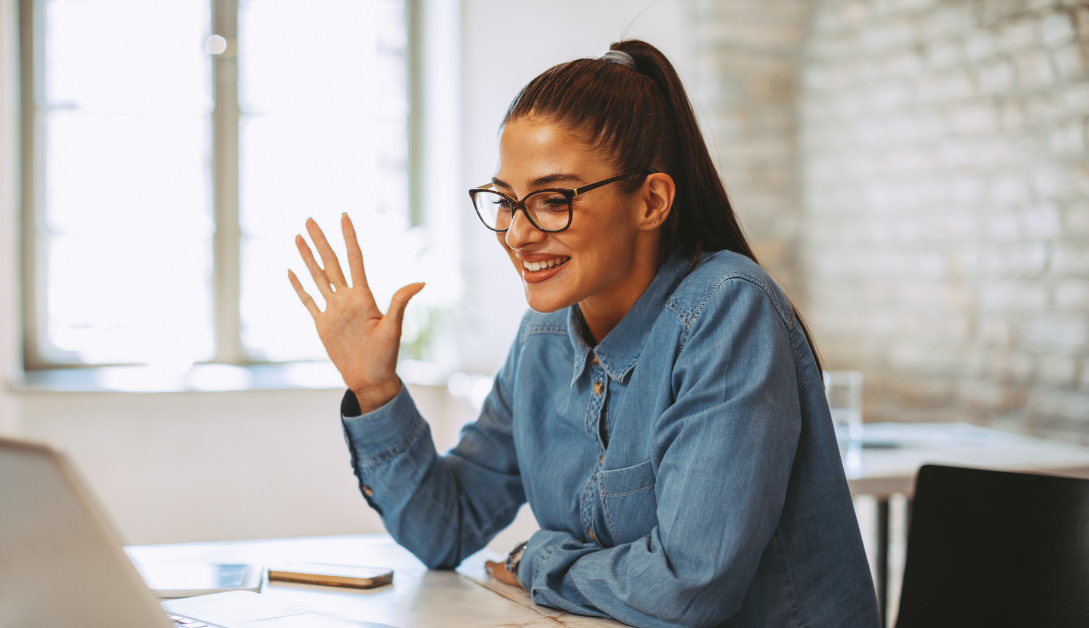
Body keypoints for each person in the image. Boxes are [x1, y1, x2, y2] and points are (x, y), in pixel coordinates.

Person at [286, 40, 879, 628]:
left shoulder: (727, 311)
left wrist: (542, 558)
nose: (516, 233)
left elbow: (690, 588)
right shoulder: (543, 338)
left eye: (551, 200)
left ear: (650, 201)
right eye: (506, 200)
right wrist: (376, 389)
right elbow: (446, 527)